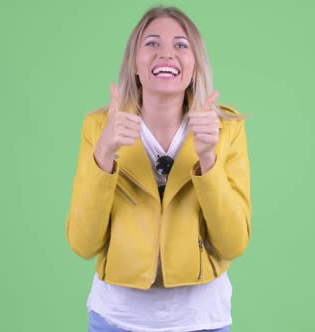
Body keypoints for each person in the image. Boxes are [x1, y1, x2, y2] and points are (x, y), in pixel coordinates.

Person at [66, 6, 251, 332]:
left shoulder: (225, 129)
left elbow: (232, 244)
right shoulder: (99, 127)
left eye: (181, 45)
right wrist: (104, 153)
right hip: (115, 320)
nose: (166, 53)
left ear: (195, 64)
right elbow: (83, 243)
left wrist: (208, 159)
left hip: (202, 321)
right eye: (152, 43)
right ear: (134, 63)